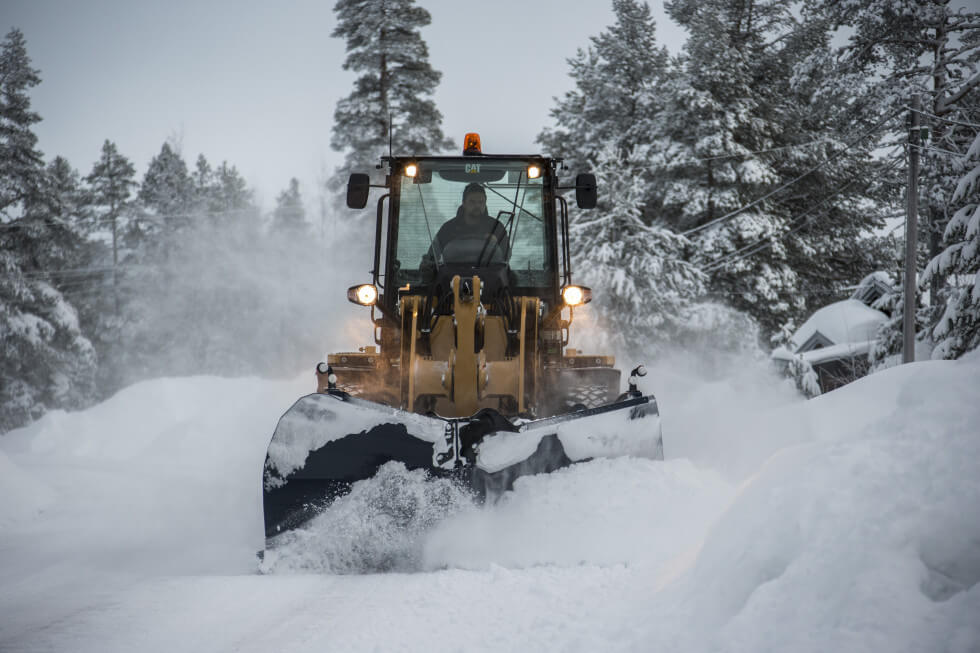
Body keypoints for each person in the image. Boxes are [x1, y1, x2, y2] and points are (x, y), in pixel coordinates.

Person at [425, 183, 509, 266]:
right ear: (464, 203)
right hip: (452, 277)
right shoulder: (448, 228)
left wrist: (496, 243)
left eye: (481, 202)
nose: (477, 205)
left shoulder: (496, 227)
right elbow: (432, 257)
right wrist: (427, 268)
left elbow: (506, 256)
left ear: (485, 203)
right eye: (472, 202)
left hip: (490, 276)